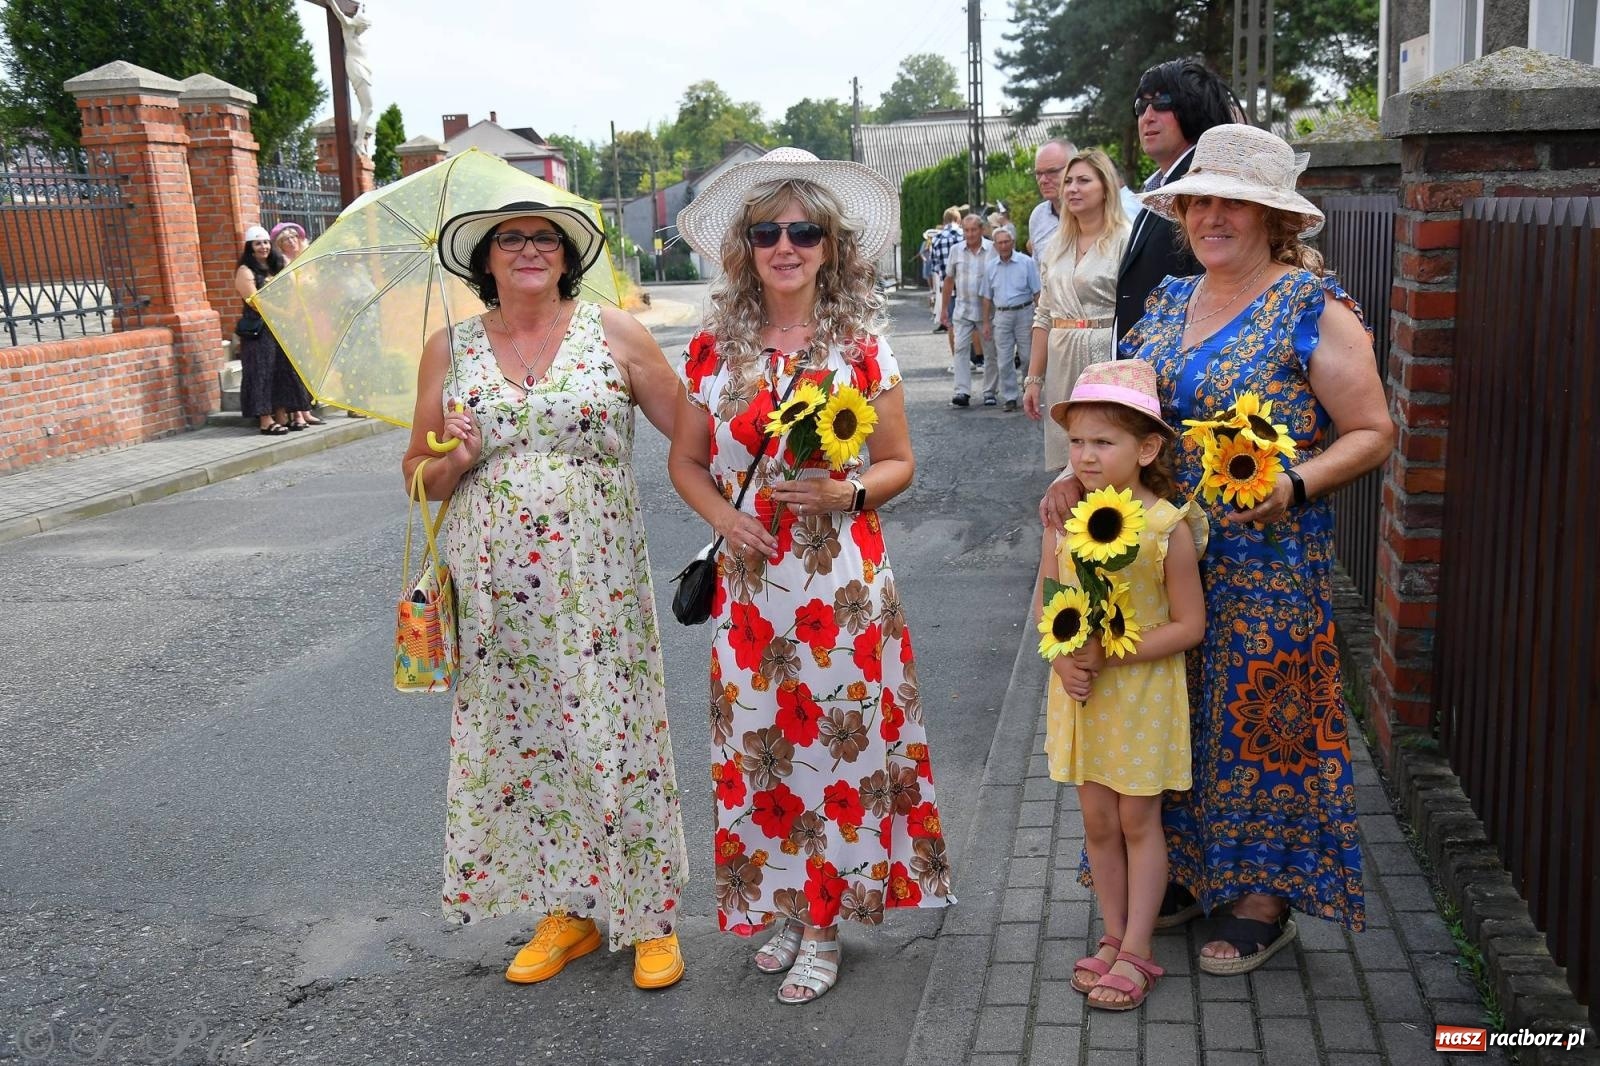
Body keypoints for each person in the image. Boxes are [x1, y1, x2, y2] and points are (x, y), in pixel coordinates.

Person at [1041, 123, 1396, 972]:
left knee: (1264, 724)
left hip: (1267, 563)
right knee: (1180, 720)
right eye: (1200, 199)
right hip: (1157, 558)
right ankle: (1190, 874)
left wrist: (1296, 484)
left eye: (1233, 202)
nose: (1212, 216)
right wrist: (1074, 470)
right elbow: (1121, 417)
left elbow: (1373, 431)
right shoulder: (1168, 301)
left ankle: (1262, 898)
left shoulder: (1314, 306)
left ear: (1276, 219)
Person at [670, 146, 956, 1005]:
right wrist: (726, 519)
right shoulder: (712, 350)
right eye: (767, 231)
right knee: (762, 753)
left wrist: (850, 488)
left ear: (831, 245)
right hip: (751, 591)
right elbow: (686, 463)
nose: (785, 246)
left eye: (803, 231)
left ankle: (826, 922)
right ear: (745, 247)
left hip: (841, 588)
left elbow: (901, 461)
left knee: (836, 757)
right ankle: (788, 904)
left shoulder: (862, 348)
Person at [401, 199, 690, 991]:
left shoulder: (615, 334)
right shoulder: (449, 349)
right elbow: (416, 480)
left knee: (615, 730)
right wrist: (452, 460)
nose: (529, 249)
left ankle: (651, 916)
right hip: (495, 590)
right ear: (484, 261)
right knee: (528, 743)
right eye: (510, 239)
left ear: (567, 257)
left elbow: (691, 430)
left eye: (545, 239)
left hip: (599, 582)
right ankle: (567, 910)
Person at [1041, 359, 1205, 1010]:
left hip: (1140, 694)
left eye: (1102, 442)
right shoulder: (1063, 517)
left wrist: (1112, 653)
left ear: (1147, 448)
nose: (1085, 455)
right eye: (1077, 441)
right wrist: (1060, 657)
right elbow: (1049, 600)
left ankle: (1139, 946)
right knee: (1098, 819)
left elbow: (1189, 626)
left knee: (1139, 818)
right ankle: (1111, 934)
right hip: (1083, 694)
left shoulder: (1167, 527)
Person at [1023, 149, 1131, 468]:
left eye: (1083, 180)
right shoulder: (1056, 245)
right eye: (1068, 181)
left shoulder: (1125, 240)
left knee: (1106, 457)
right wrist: (1033, 379)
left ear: (1105, 188)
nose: (1072, 188)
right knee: (1066, 459)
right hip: (1060, 358)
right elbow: (1044, 314)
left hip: (1104, 358)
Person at [1114, 59, 1237, 340]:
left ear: (1194, 107)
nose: (1147, 116)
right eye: (1140, 107)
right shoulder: (1163, 187)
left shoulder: (1203, 188)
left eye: (1162, 102)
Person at [233, 225, 310, 435]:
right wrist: (284, 313)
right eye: (258, 243)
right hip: (260, 330)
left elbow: (292, 288)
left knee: (284, 371)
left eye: (266, 242)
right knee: (262, 372)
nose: (263, 247)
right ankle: (265, 421)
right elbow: (254, 301)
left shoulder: (278, 264)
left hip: (281, 327)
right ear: (250, 247)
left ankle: (286, 414)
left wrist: (292, 310)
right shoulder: (245, 271)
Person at [270, 221, 324, 427]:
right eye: (285, 239)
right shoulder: (281, 263)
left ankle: (306, 407)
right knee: (296, 363)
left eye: (294, 237)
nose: (291, 241)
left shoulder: (308, 261)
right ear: (279, 244)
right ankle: (298, 412)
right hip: (293, 318)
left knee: (309, 362)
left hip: (311, 318)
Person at [980, 225, 1039, 412]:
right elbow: (986, 297)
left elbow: (1037, 292)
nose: (1004, 246)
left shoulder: (1026, 262)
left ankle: (1028, 390)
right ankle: (1010, 397)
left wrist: (1039, 319)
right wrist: (986, 322)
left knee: (1028, 357)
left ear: (1012, 242)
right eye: (1000, 243)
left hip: (1024, 313)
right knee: (1004, 360)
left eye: (1006, 242)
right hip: (1002, 315)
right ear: (995, 246)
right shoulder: (990, 267)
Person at [940, 213, 992, 406]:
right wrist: (944, 309)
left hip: (987, 311)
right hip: (962, 309)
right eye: (966, 230)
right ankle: (962, 391)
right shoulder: (956, 250)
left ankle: (989, 391)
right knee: (960, 349)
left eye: (973, 230)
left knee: (990, 352)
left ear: (981, 230)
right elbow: (949, 280)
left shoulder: (992, 249)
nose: (970, 234)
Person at [1027, 139, 1076, 255]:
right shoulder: (1038, 216)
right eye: (1038, 173)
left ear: (1074, 168)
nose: (1043, 180)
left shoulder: (1093, 214)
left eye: (1052, 171)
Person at [927, 206, 963, 334]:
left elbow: (935, 267)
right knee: (972, 328)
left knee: (952, 327)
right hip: (966, 289)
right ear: (958, 219)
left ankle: (957, 354)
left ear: (944, 220)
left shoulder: (936, 239)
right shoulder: (964, 235)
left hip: (948, 292)